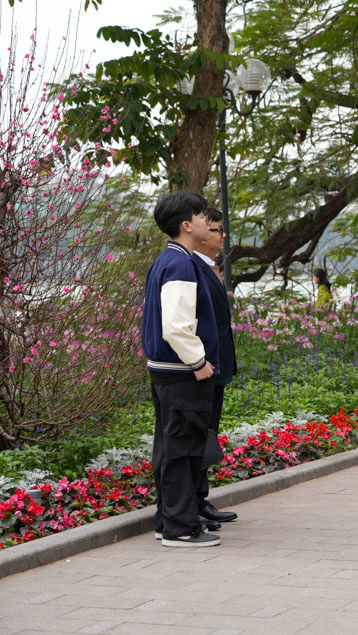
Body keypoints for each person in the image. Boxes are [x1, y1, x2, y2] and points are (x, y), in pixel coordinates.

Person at [141, 192, 222, 547]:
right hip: (181, 372)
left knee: (171, 447)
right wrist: (198, 362)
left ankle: (168, 521)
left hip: (167, 371)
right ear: (187, 225)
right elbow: (176, 325)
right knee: (183, 451)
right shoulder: (180, 263)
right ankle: (180, 527)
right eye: (202, 216)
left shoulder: (169, 260)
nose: (208, 221)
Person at [191, 208, 239, 530]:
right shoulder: (192, 267)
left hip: (215, 367)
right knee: (197, 435)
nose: (223, 236)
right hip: (202, 368)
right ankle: (193, 503)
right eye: (218, 229)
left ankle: (200, 498)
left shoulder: (212, 267)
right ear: (203, 232)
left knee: (208, 434)